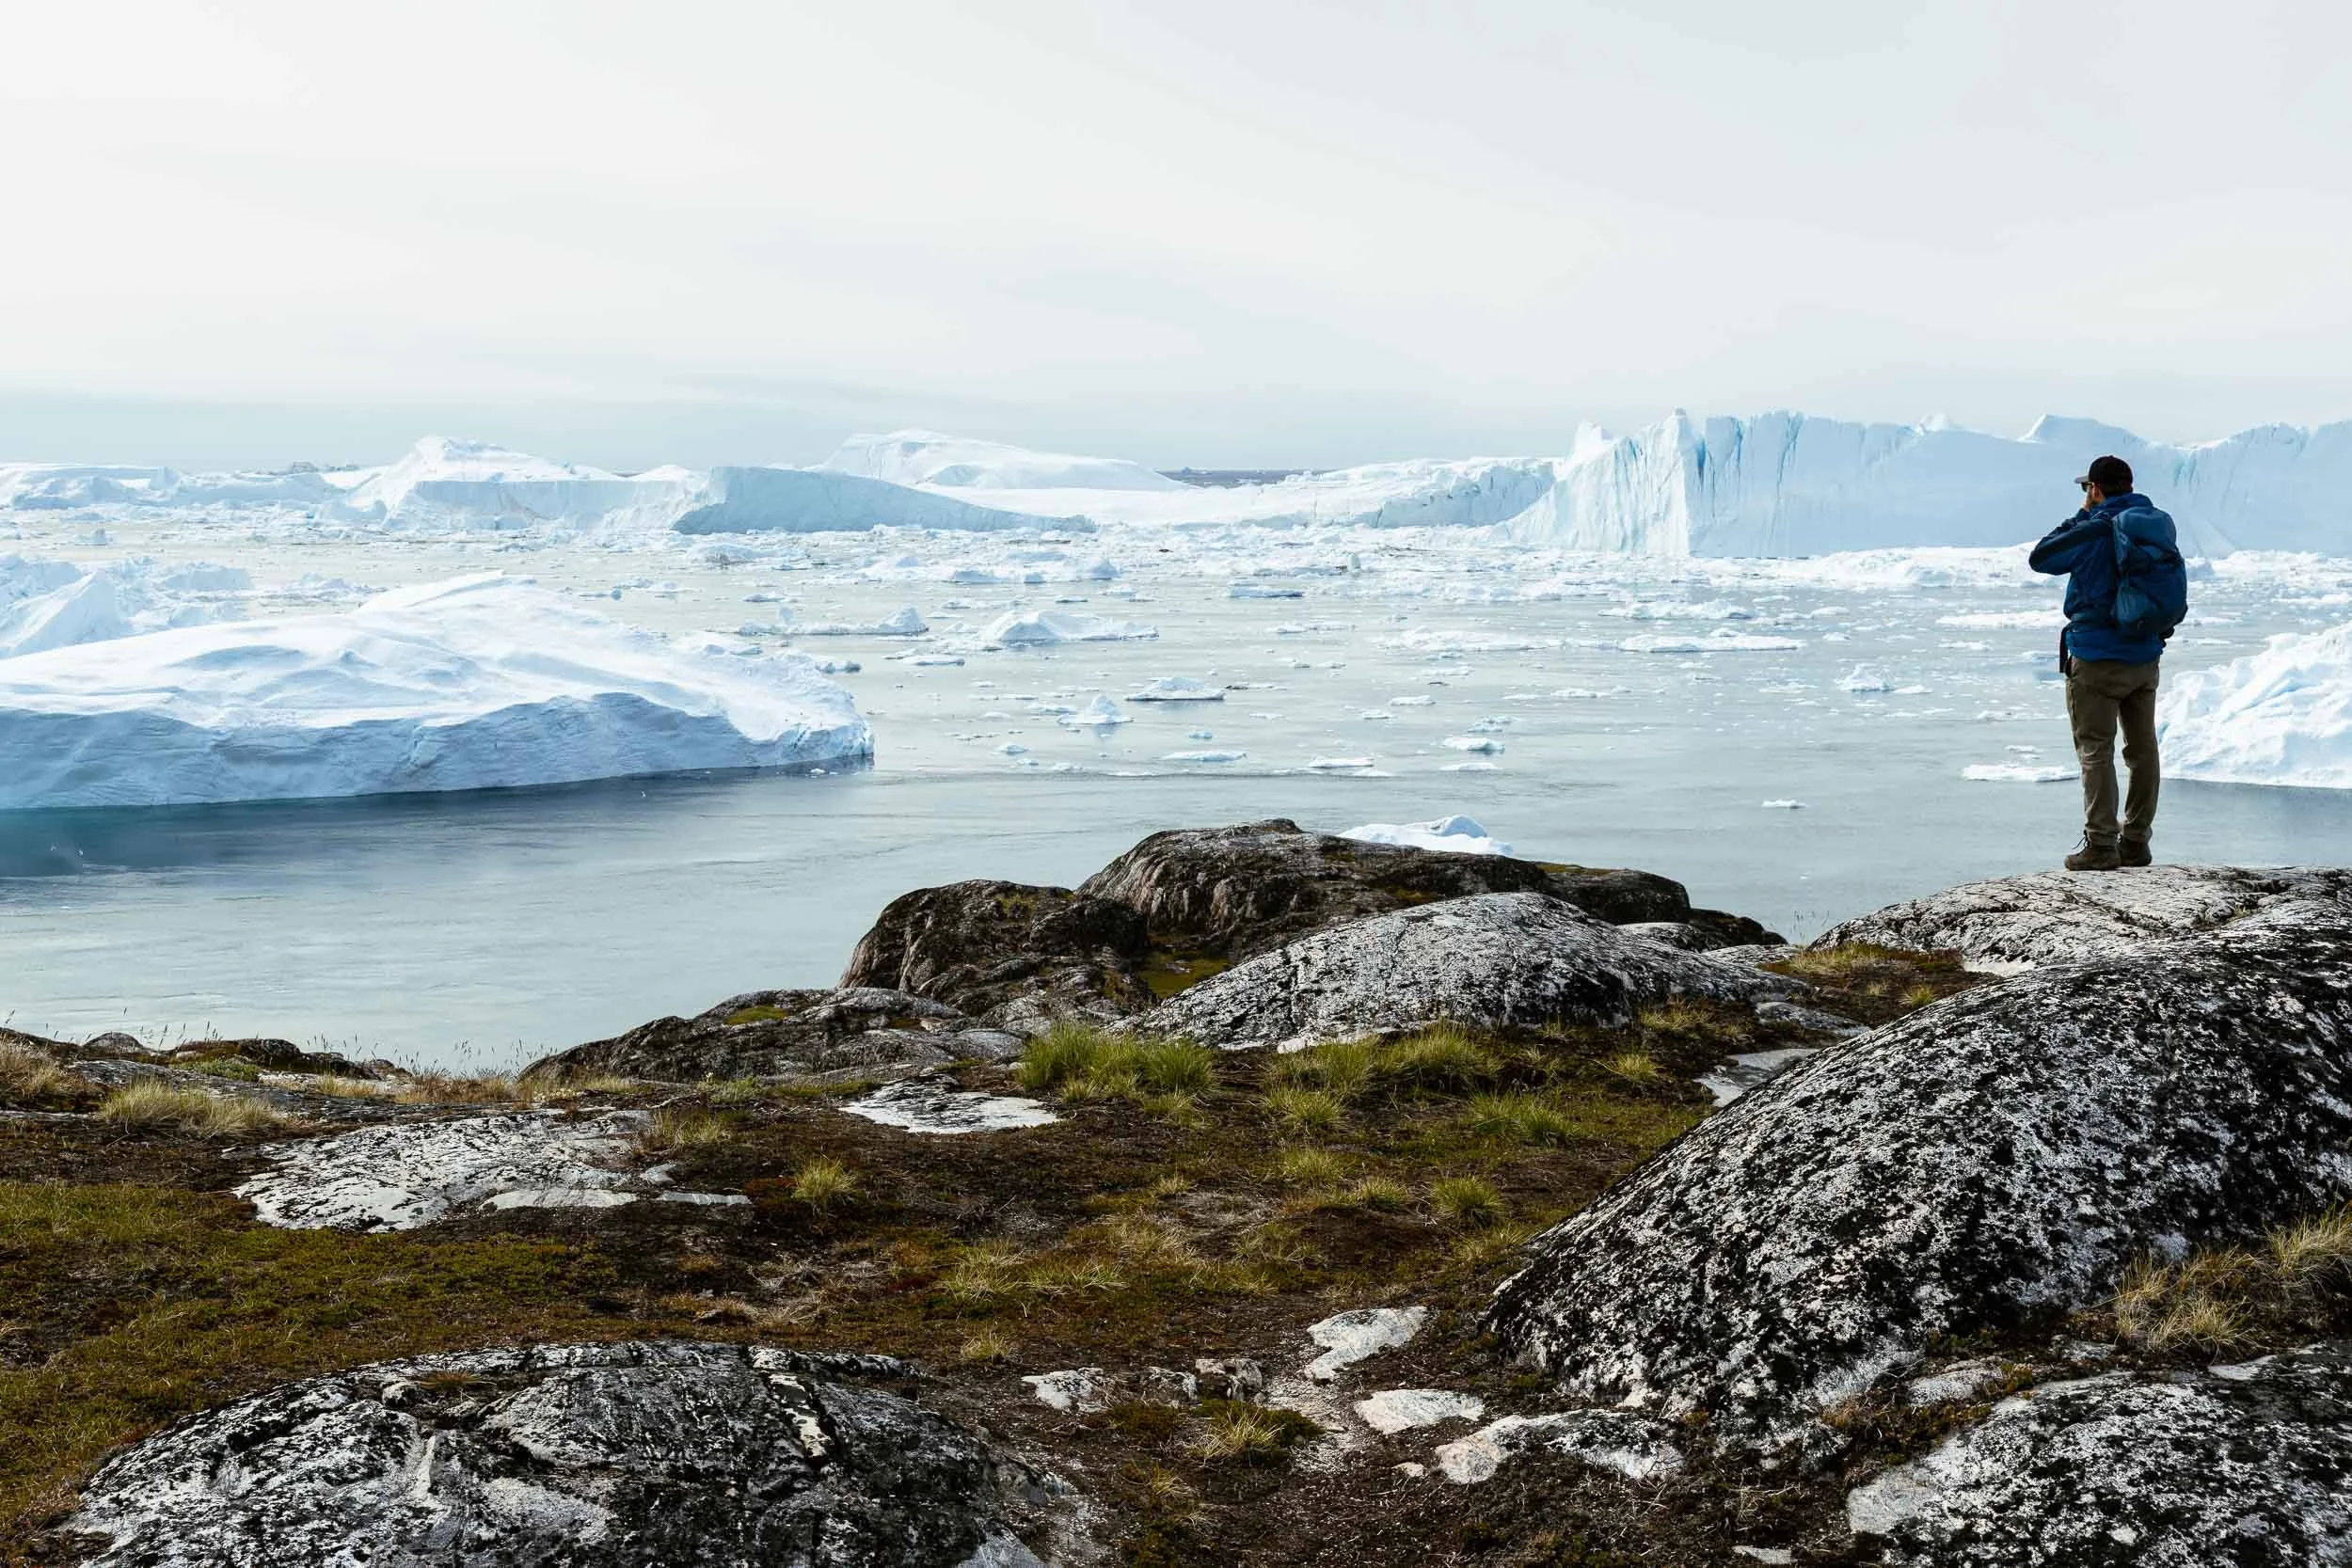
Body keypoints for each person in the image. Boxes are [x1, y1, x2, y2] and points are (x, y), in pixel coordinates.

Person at [2027, 454, 2184, 871]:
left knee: (2096, 748)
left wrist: (2081, 516)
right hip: (2144, 654)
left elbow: (2042, 557)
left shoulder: (2095, 529)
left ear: (2094, 489)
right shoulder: (2154, 524)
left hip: (2096, 655)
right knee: (2143, 747)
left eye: (2087, 489)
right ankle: (2135, 841)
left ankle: (2100, 844)